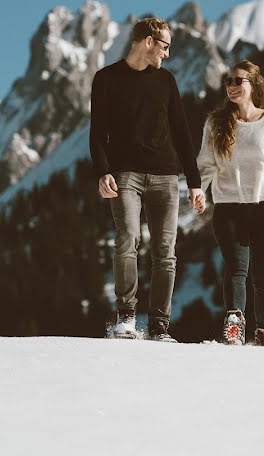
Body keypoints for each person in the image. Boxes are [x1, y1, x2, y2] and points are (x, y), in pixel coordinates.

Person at [90, 17, 205, 342]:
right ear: (148, 42)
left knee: (165, 252)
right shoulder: (106, 79)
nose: (167, 54)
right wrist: (103, 171)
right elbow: (98, 132)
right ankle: (126, 318)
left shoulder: (166, 81)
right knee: (127, 240)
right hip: (125, 175)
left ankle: (159, 326)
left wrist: (194, 182)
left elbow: (182, 133)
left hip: (166, 177)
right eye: (165, 46)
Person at [196, 60, 264, 346]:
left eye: (238, 81)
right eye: (228, 81)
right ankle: (234, 325)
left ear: (253, 84)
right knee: (235, 268)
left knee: (263, 276)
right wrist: (198, 190)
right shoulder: (215, 122)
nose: (231, 86)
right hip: (229, 207)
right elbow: (205, 164)